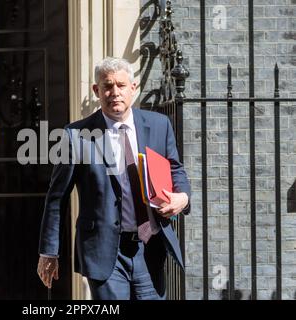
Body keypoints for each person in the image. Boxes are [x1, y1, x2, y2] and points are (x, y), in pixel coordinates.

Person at [37, 57, 191, 300]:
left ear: (134, 88)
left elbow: (175, 169)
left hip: (149, 248)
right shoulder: (76, 135)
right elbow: (57, 198)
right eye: (107, 86)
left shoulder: (159, 125)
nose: (114, 93)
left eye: (121, 85)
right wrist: (49, 251)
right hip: (104, 251)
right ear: (96, 91)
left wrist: (183, 196)